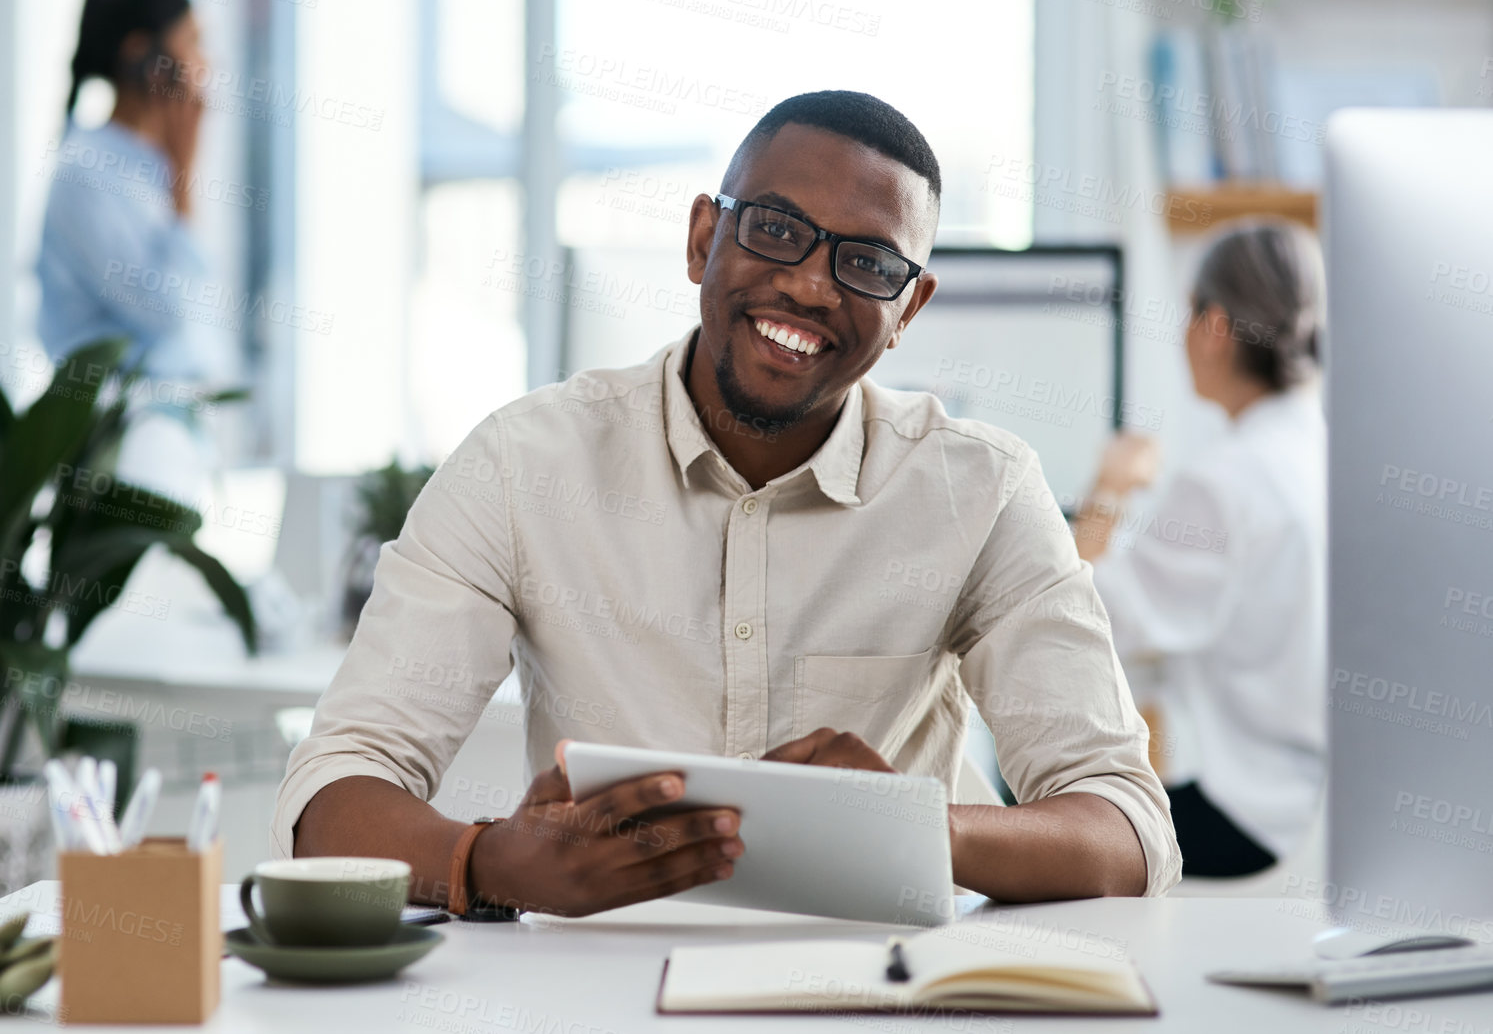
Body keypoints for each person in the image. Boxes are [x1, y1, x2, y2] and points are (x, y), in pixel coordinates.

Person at [275, 91, 1180, 917]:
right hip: (592, 998)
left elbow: (1131, 828)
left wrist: (918, 829)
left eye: (866, 263)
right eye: (778, 230)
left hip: (877, 995)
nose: (811, 285)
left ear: (909, 309)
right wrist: (488, 862)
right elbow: (332, 792)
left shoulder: (979, 489)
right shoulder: (521, 463)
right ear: (702, 237)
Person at [1075, 219, 1326, 878]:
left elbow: (1082, 615)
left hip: (1250, 816)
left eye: (1187, 315)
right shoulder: (1325, 453)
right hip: (1317, 803)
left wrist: (1109, 485)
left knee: (1039, 805)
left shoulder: (1225, 481)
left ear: (1214, 327)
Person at [36, 0, 219, 383]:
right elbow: (169, 313)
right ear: (141, 54)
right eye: (193, 43)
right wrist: (183, 177)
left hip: (166, 417)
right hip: (118, 424)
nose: (206, 65)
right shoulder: (87, 173)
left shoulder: (151, 166)